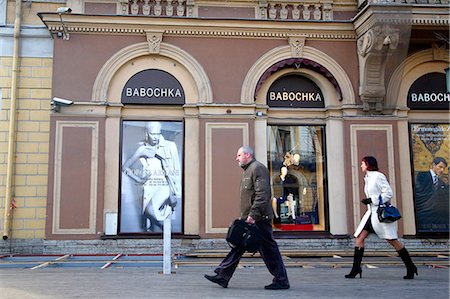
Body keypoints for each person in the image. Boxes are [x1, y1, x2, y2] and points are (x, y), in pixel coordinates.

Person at [204, 146, 290, 289]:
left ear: (247, 155)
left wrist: (253, 215)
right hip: (251, 218)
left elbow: (262, 195)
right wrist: (245, 216)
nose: (236, 158)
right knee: (239, 245)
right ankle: (223, 276)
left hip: (259, 219)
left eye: (239, 155)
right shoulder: (248, 171)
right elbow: (250, 197)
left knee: (269, 249)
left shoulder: (258, 169)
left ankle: (281, 280)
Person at [346, 156, 418, 279]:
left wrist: (372, 200)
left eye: (362, 164)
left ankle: (410, 266)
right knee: (359, 238)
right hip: (370, 214)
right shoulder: (368, 178)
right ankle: (356, 268)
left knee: (392, 240)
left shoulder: (378, 176)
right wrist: (370, 201)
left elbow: (388, 192)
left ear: (368, 164)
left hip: (380, 214)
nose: (361, 166)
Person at [122, 121, 181, 232]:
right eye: (153, 134)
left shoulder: (167, 147)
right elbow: (125, 167)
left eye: (158, 134)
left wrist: (174, 192)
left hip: (163, 186)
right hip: (149, 186)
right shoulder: (142, 149)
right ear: (147, 133)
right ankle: (165, 232)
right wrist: (138, 179)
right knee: (148, 212)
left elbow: (172, 171)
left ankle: (168, 232)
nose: (155, 137)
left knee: (150, 210)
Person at [415, 157, 448, 231]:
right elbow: (420, 192)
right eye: (440, 167)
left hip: (435, 212)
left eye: (443, 168)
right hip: (423, 210)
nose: (442, 170)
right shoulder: (422, 176)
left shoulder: (441, 183)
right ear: (433, 165)